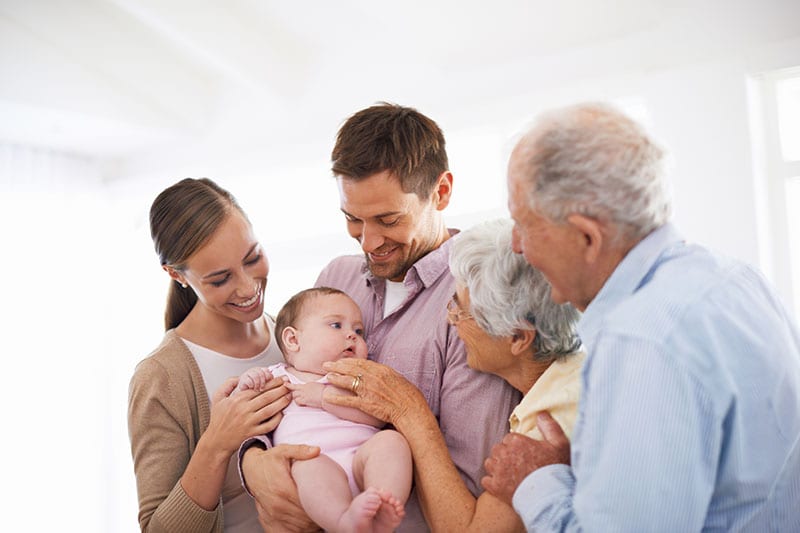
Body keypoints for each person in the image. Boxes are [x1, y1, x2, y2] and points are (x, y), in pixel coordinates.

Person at [481, 102, 800, 531]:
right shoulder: (735, 278)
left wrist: (535, 481)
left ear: (586, 237)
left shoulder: (643, 340)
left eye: (523, 223)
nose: (517, 245)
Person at [240, 103, 520, 532]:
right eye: (353, 219)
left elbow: (469, 487)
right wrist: (255, 462)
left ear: (441, 192)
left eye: (388, 219)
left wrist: (403, 413)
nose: (368, 242)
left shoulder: (476, 298)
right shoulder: (336, 276)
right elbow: (286, 388)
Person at [323, 218, 584, 532]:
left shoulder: (552, 418)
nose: (450, 317)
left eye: (460, 308)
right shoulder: (562, 384)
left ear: (517, 337)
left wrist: (410, 411)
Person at [128, 177, 297, 532]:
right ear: (177, 275)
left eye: (253, 258)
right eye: (220, 280)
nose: (248, 287)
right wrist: (217, 443)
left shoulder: (294, 334)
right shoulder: (162, 377)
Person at [237, 287, 411, 533]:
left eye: (358, 331)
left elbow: (377, 416)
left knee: (391, 441)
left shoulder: (358, 376)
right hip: (317, 469)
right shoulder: (279, 377)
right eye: (336, 326)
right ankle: (343, 521)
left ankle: (381, 502)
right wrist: (249, 381)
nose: (351, 335)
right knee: (306, 465)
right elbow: (246, 410)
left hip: (363, 461)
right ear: (293, 340)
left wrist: (324, 398)